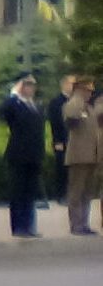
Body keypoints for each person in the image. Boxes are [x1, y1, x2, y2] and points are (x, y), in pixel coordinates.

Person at [1, 74, 47, 237]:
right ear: (21, 86)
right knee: (18, 192)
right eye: (27, 85)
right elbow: (5, 112)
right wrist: (14, 94)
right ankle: (19, 227)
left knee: (30, 192)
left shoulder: (34, 105)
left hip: (34, 154)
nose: (31, 88)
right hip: (18, 154)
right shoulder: (14, 104)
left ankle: (29, 226)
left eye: (33, 85)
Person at [61, 76, 100, 235]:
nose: (89, 94)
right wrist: (76, 97)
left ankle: (84, 223)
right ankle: (76, 224)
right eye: (86, 90)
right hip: (78, 156)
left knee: (87, 193)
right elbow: (71, 117)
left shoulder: (89, 108)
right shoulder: (73, 104)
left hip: (91, 156)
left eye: (91, 91)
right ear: (79, 90)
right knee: (76, 192)